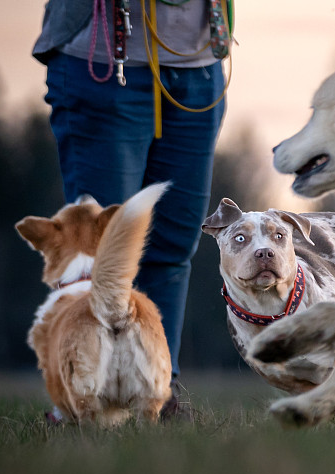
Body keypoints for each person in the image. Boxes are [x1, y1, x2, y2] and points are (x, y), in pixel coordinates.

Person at [33, 0, 229, 420]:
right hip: (102, 58)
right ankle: (77, 398)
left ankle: (158, 392)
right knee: (101, 251)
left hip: (197, 62)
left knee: (173, 248)